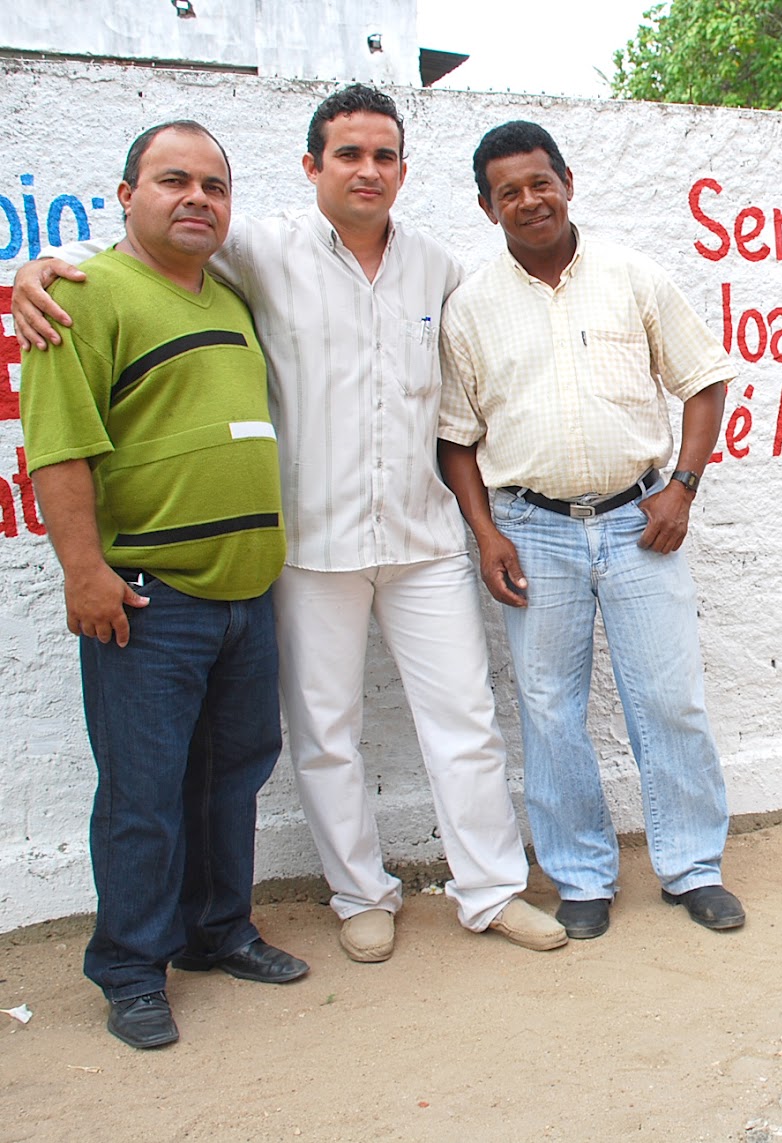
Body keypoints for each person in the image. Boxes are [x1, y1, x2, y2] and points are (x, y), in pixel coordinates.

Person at [12, 86, 566, 963]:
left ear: (403, 170)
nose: (367, 171)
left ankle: (491, 889)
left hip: (421, 541)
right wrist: (41, 268)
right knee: (324, 730)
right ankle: (359, 893)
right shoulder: (261, 248)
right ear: (312, 166)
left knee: (464, 718)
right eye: (348, 154)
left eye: (384, 156)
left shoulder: (436, 265)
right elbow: (150, 244)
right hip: (309, 546)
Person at [20, 121, 307, 1049]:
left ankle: (217, 931)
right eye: (173, 180)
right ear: (125, 194)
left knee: (231, 781)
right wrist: (84, 571)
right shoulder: (84, 294)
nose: (197, 198)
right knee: (143, 793)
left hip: (244, 598)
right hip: (148, 598)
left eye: (214, 186)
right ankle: (133, 970)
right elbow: (60, 446)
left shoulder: (227, 298)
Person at [436, 121, 743, 941]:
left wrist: (682, 486)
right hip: (531, 530)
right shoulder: (469, 307)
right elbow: (455, 438)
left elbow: (704, 381)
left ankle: (692, 867)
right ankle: (580, 875)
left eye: (541, 182)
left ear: (567, 180)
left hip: (641, 523)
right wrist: (484, 533)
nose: (529, 200)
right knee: (548, 708)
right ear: (486, 204)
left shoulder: (633, 276)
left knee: (668, 699)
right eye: (509, 191)